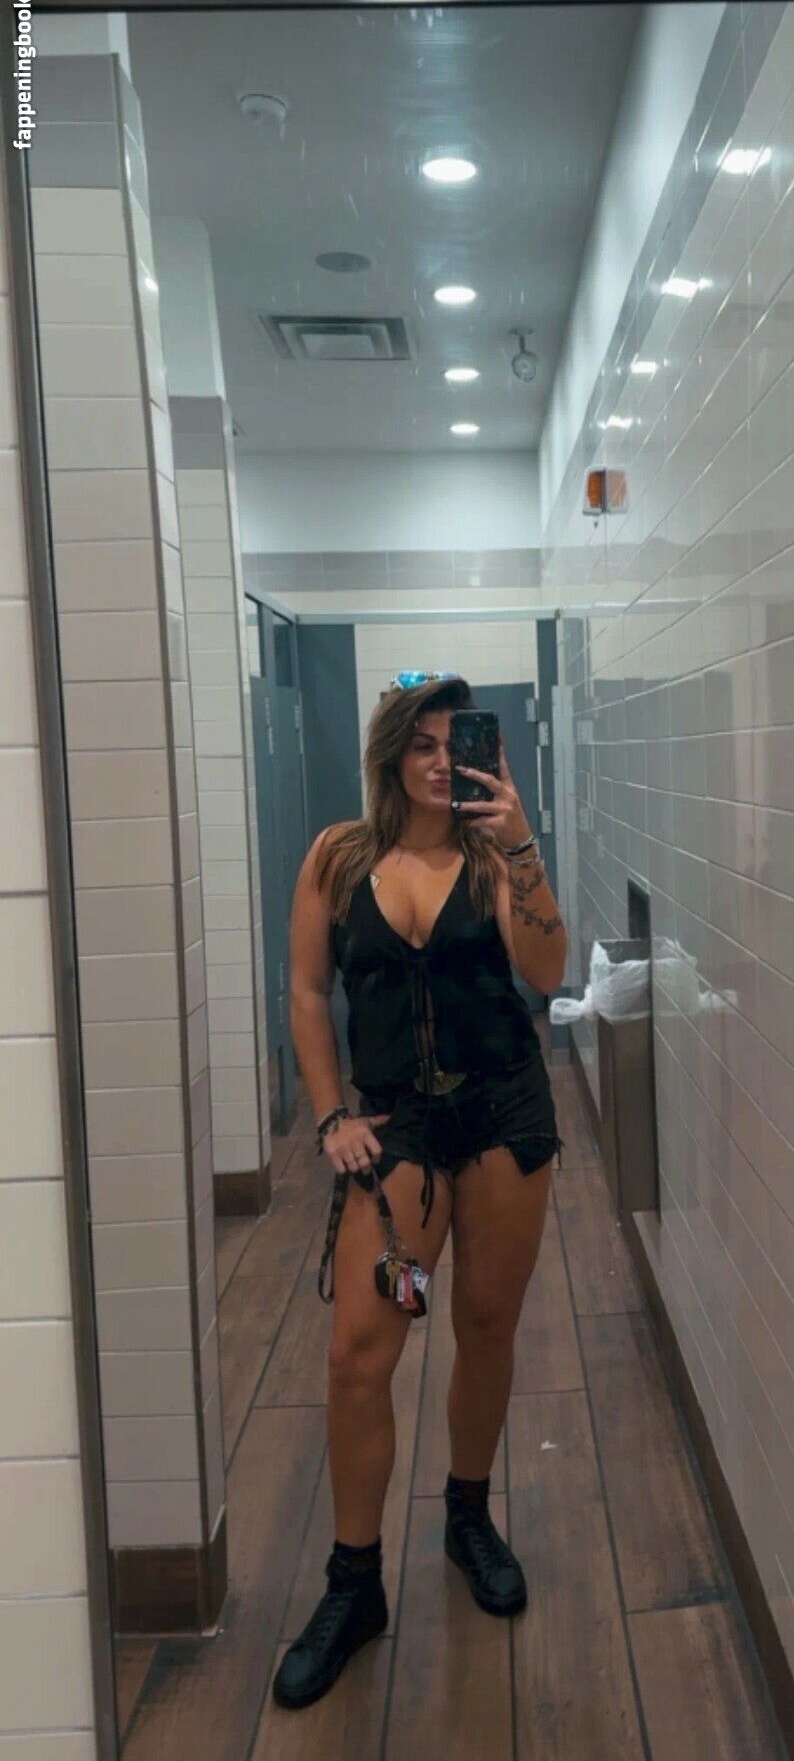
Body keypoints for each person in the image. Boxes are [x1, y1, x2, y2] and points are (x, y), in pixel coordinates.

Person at [272, 674, 566, 1711]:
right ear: (392, 754)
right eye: (424, 744)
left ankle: (467, 1516)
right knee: (360, 1352)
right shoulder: (337, 856)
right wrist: (328, 1116)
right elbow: (307, 989)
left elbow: (547, 970)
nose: (444, 762)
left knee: (484, 1322)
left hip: (502, 1118)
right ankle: (353, 1583)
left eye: (459, 743)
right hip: (397, 1132)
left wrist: (520, 841)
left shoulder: (492, 857)